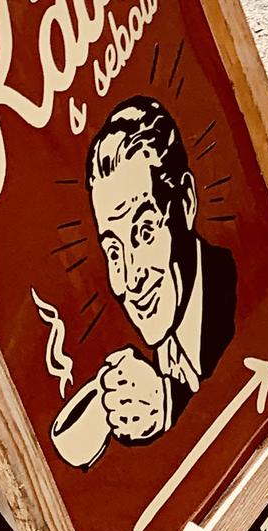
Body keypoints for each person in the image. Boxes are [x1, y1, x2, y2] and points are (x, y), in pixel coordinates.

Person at [50, 99, 239, 465]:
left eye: (144, 231)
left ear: (185, 204)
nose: (130, 278)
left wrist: (168, 405)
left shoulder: (236, 290)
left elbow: (247, 368)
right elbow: (69, 449)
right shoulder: (167, 337)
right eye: (114, 252)